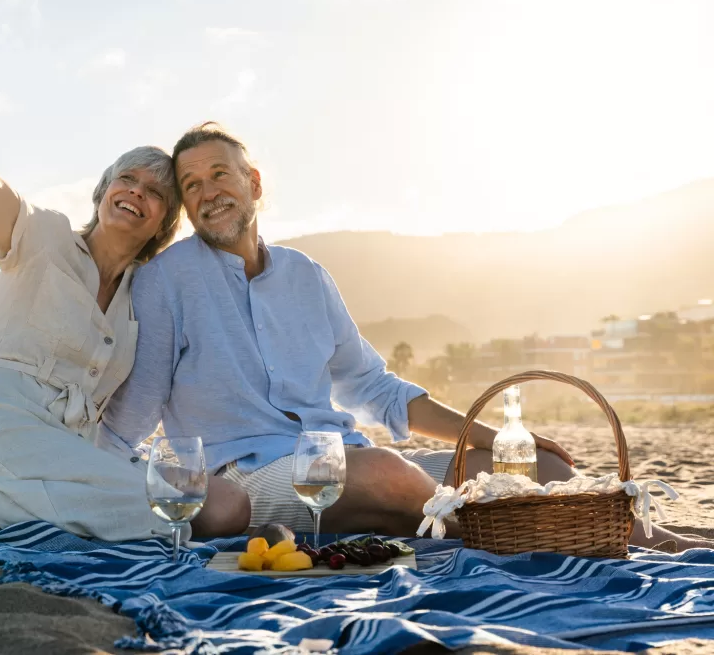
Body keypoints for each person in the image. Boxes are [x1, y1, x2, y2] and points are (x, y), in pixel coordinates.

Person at [99, 121, 710, 551]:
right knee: (384, 473)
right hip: (249, 477)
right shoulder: (166, 281)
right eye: (192, 184)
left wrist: (492, 438)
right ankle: (583, 534)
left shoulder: (308, 277)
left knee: (539, 462)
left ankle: (535, 522)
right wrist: (61, 474)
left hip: (342, 460)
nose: (209, 193)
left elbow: (375, 388)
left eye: (220, 174)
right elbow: (137, 404)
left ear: (254, 182)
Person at [0, 40, 249, 541]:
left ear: (163, 223)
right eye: (126, 179)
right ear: (103, 191)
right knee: (157, 514)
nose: (136, 191)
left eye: (155, 192)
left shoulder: (146, 292)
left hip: (68, 449)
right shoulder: (44, 237)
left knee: (207, 506)